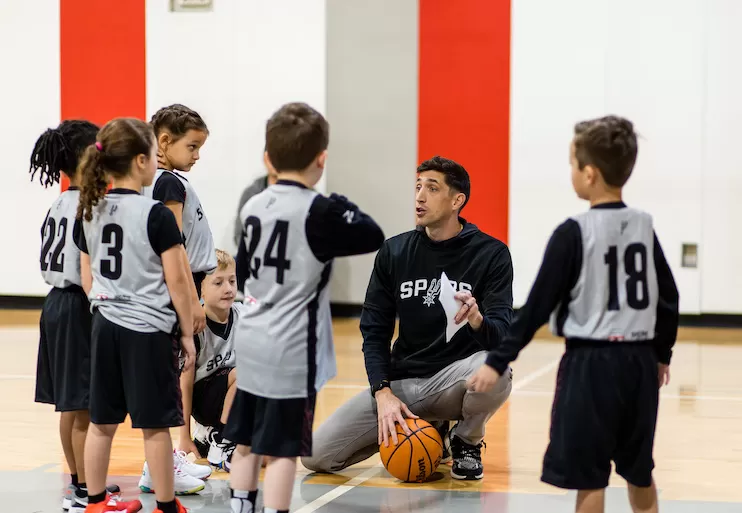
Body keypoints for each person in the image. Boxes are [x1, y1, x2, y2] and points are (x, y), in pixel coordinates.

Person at [468, 115, 680, 513]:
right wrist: (662, 354)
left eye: (571, 164)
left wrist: (498, 360)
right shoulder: (643, 226)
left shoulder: (573, 233)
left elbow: (535, 309)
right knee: (639, 470)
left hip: (591, 366)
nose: (570, 172)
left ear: (589, 173)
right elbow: (669, 297)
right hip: (638, 364)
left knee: (589, 476)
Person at [301, 156, 514, 481]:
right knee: (316, 456)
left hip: (453, 381)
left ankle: (466, 441)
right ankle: (432, 430)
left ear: (457, 200)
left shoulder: (491, 254)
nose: (419, 196)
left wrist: (476, 320)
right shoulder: (394, 252)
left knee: (496, 368)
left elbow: (501, 336)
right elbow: (374, 331)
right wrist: (382, 393)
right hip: (403, 385)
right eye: (417, 187)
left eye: (431, 188)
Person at [224, 102, 385, 513]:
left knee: (244, 440)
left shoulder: (253, 205)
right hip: (291, 348)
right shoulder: (320, 210)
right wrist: (341, 201)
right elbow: (372, 234)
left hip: (252, 338)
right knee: (281, 451)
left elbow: (242, 273)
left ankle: (242, 506)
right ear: (321, 159)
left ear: (268, 158)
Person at [75, 117, 198, 513]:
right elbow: (178, 281)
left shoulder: (89, 208)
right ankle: (165, 505)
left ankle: (94, 503)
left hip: (104, 324)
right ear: (143, 161)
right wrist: (185, 330)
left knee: (101, 423)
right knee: (155, 425)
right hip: (146, 330)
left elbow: (86, 275)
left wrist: (107, 302)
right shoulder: (155, 214)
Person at [30, 120, 122, 512]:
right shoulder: (90, 205)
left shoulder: (59, 201)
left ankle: (79, 481)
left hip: (54, 304)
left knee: (70, 406)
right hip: (77, 305)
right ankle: (87, 490)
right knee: (84, 405)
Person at [140, 104, 215, 491]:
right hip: (184, 287)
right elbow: (174, 246)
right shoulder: (167, 182)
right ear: (165, 142)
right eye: (193, 146)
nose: (198, 155)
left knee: (174, 374)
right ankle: (169, 458)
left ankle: (163, 460)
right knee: (173, 374)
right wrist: (191, 300)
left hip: (188, 284)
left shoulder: (168, 179)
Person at [176, 249, 241, 470]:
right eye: (218, 283)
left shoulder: (243, 316)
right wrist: (183, 436)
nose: (228, 289)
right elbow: (184, 382)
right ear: (200, 288)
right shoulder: (195, 326)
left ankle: (209, 436)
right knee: (245, 373)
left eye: (232, 281)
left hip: (232, 396)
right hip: (202, 400)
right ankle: (221, 440)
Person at [232, 156, 279, 248]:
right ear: (265, 159)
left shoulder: (302, 195)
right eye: (270, 157)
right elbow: (239, 234)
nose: (275, 162)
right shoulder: (251, 193)